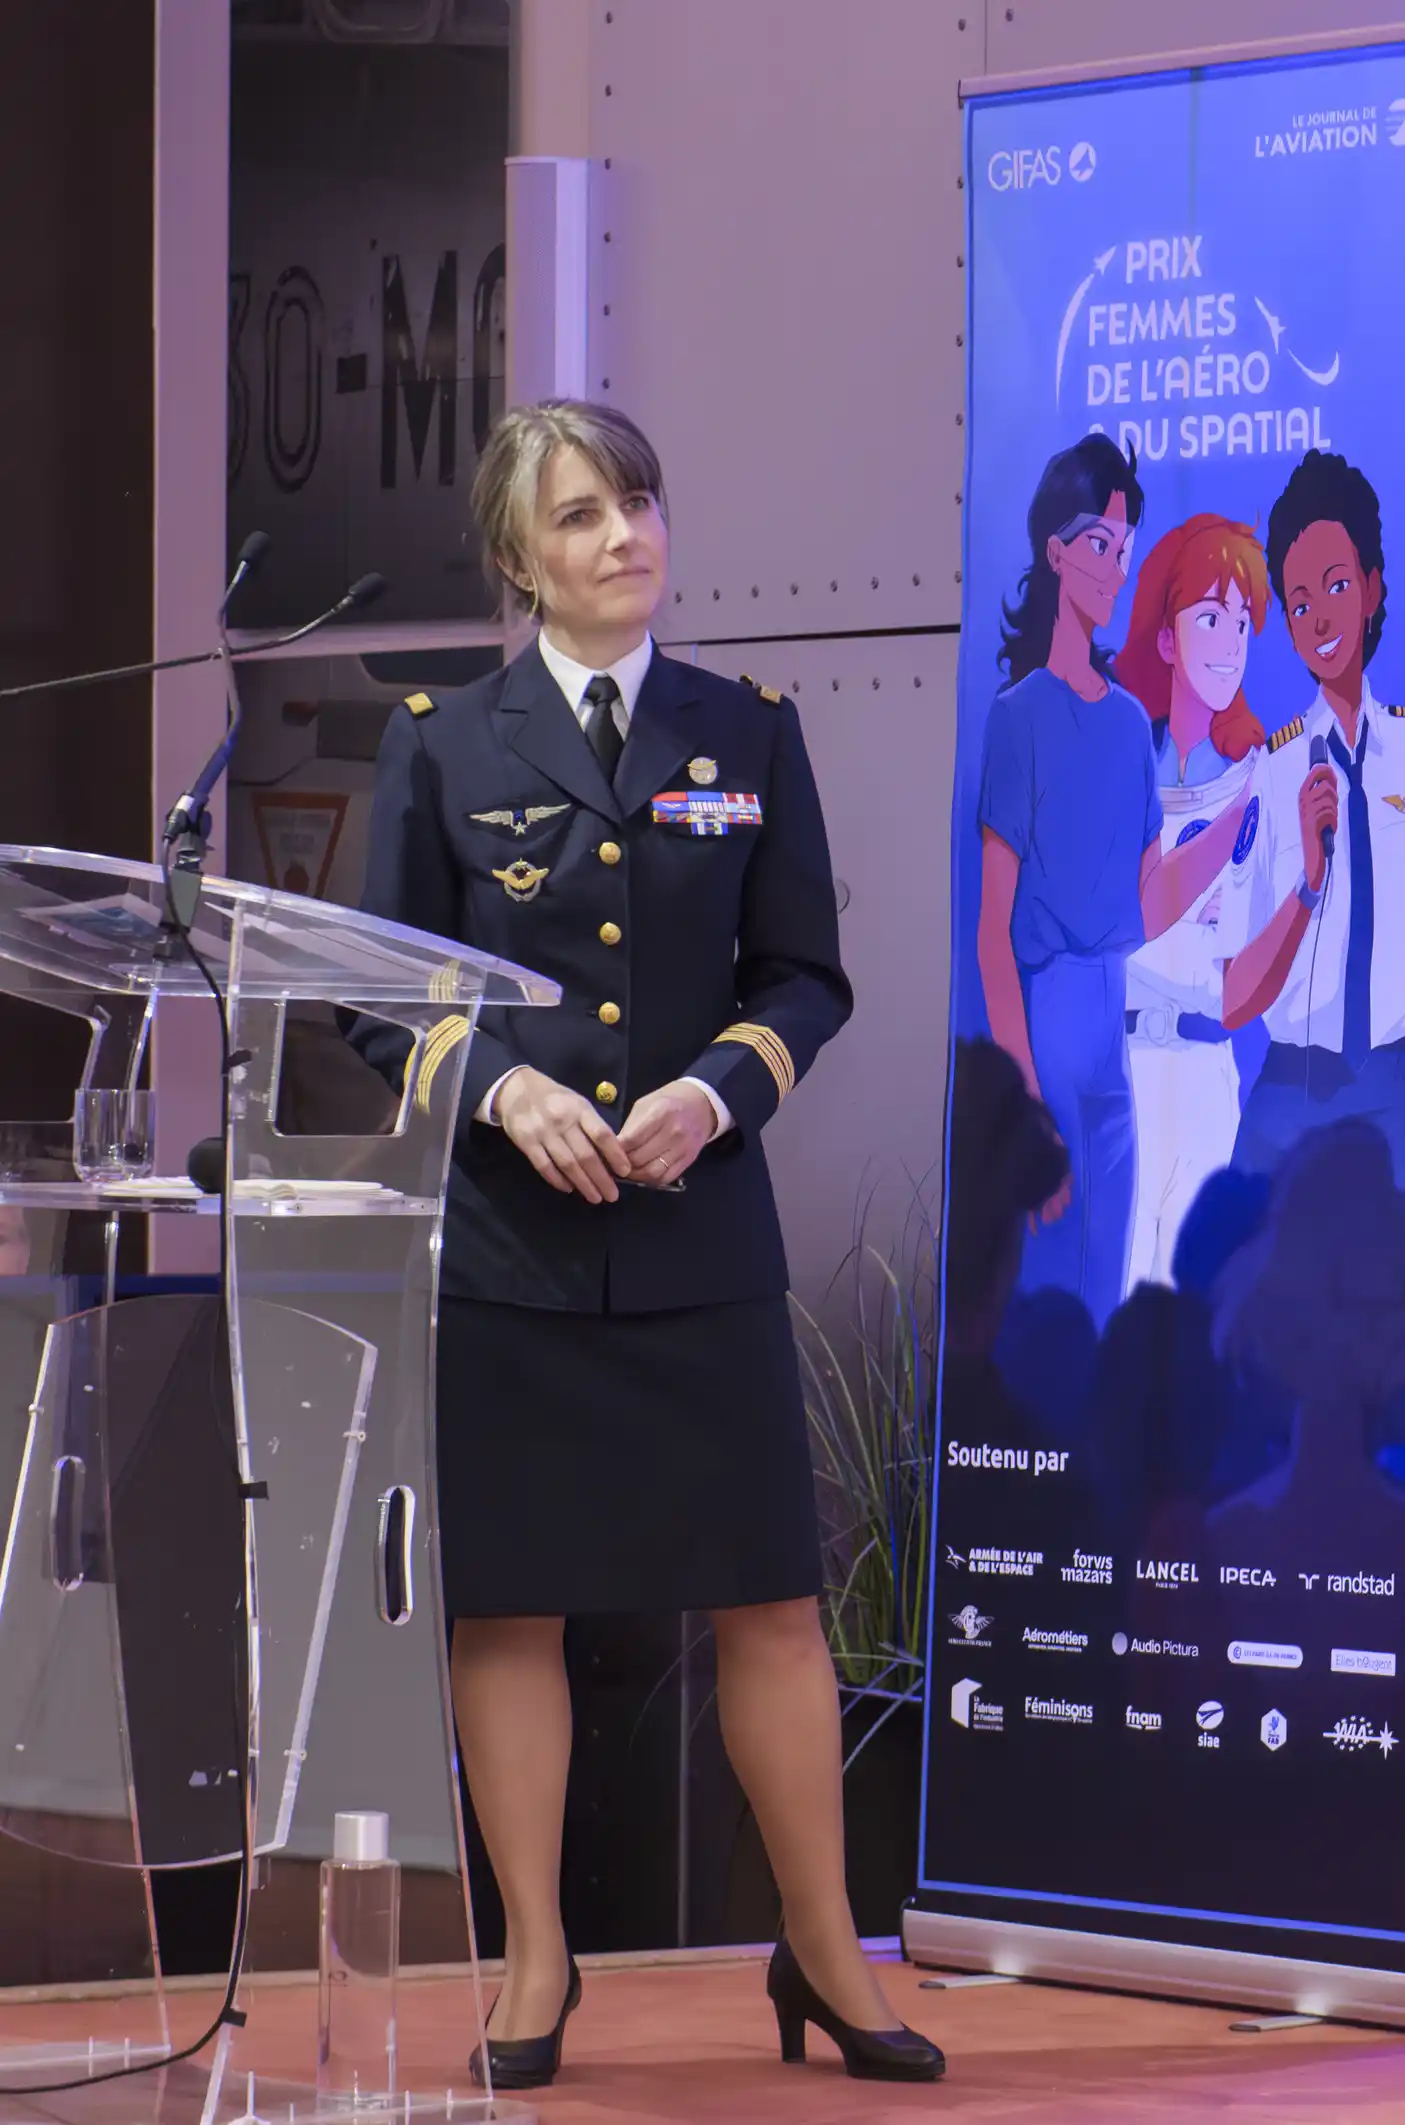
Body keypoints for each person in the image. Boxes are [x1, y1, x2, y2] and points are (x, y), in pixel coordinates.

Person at [349, 399, 942, 2088]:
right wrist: (499, 1089)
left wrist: (717, 1092)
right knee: (510, 1610)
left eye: (640, 502)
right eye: (584, 515)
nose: (626, 536)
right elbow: (379, 995)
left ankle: (824, 1950)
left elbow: (803, 979)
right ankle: (535, 1956)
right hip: (515, 1257)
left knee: (770, 1600)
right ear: (518, 558)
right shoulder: (441, 745)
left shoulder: (744, 730)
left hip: (700, 1244)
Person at [976, 435, 1250, 1331]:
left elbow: (1145, 904)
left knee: (1108, 1284)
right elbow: (993, 932)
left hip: (1113, 1039)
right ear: (1055, 551)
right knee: (1050, 1282)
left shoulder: (1131, 724)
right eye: (1099, 543)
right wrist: (1022, 1099)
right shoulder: (1017, 719)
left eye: (1124, 550)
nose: (1114, 569)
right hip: (1053, 1018)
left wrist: (1229, 830)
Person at [1220, 450, 1405, 1176]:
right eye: (1299, 603)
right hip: (1294, 1095)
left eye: (1335, 584)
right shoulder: (1269, 776)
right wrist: (1306, 885)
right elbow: (1235, 1000)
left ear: (1372, 587)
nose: (1320, 615)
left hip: (1394, 1082)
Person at [1115, 515, 1269, 1285]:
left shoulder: (1260, 777)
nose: (1228, 642)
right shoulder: (1118, 764)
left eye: (1241, 622)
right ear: (1166, 638)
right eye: (1209, 617)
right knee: (1114, 1301)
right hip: (1119, 1070)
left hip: (1206, 1074)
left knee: (1194, 1309)